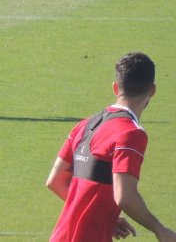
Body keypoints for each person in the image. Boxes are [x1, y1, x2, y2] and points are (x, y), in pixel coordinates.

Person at [46, 52, 176, 242]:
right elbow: (125, 196)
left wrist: (104, 214)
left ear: (116, 88)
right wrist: (160, 230)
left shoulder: (84, 125)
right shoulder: (131, 133)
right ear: (153, 90)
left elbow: (56, 181)